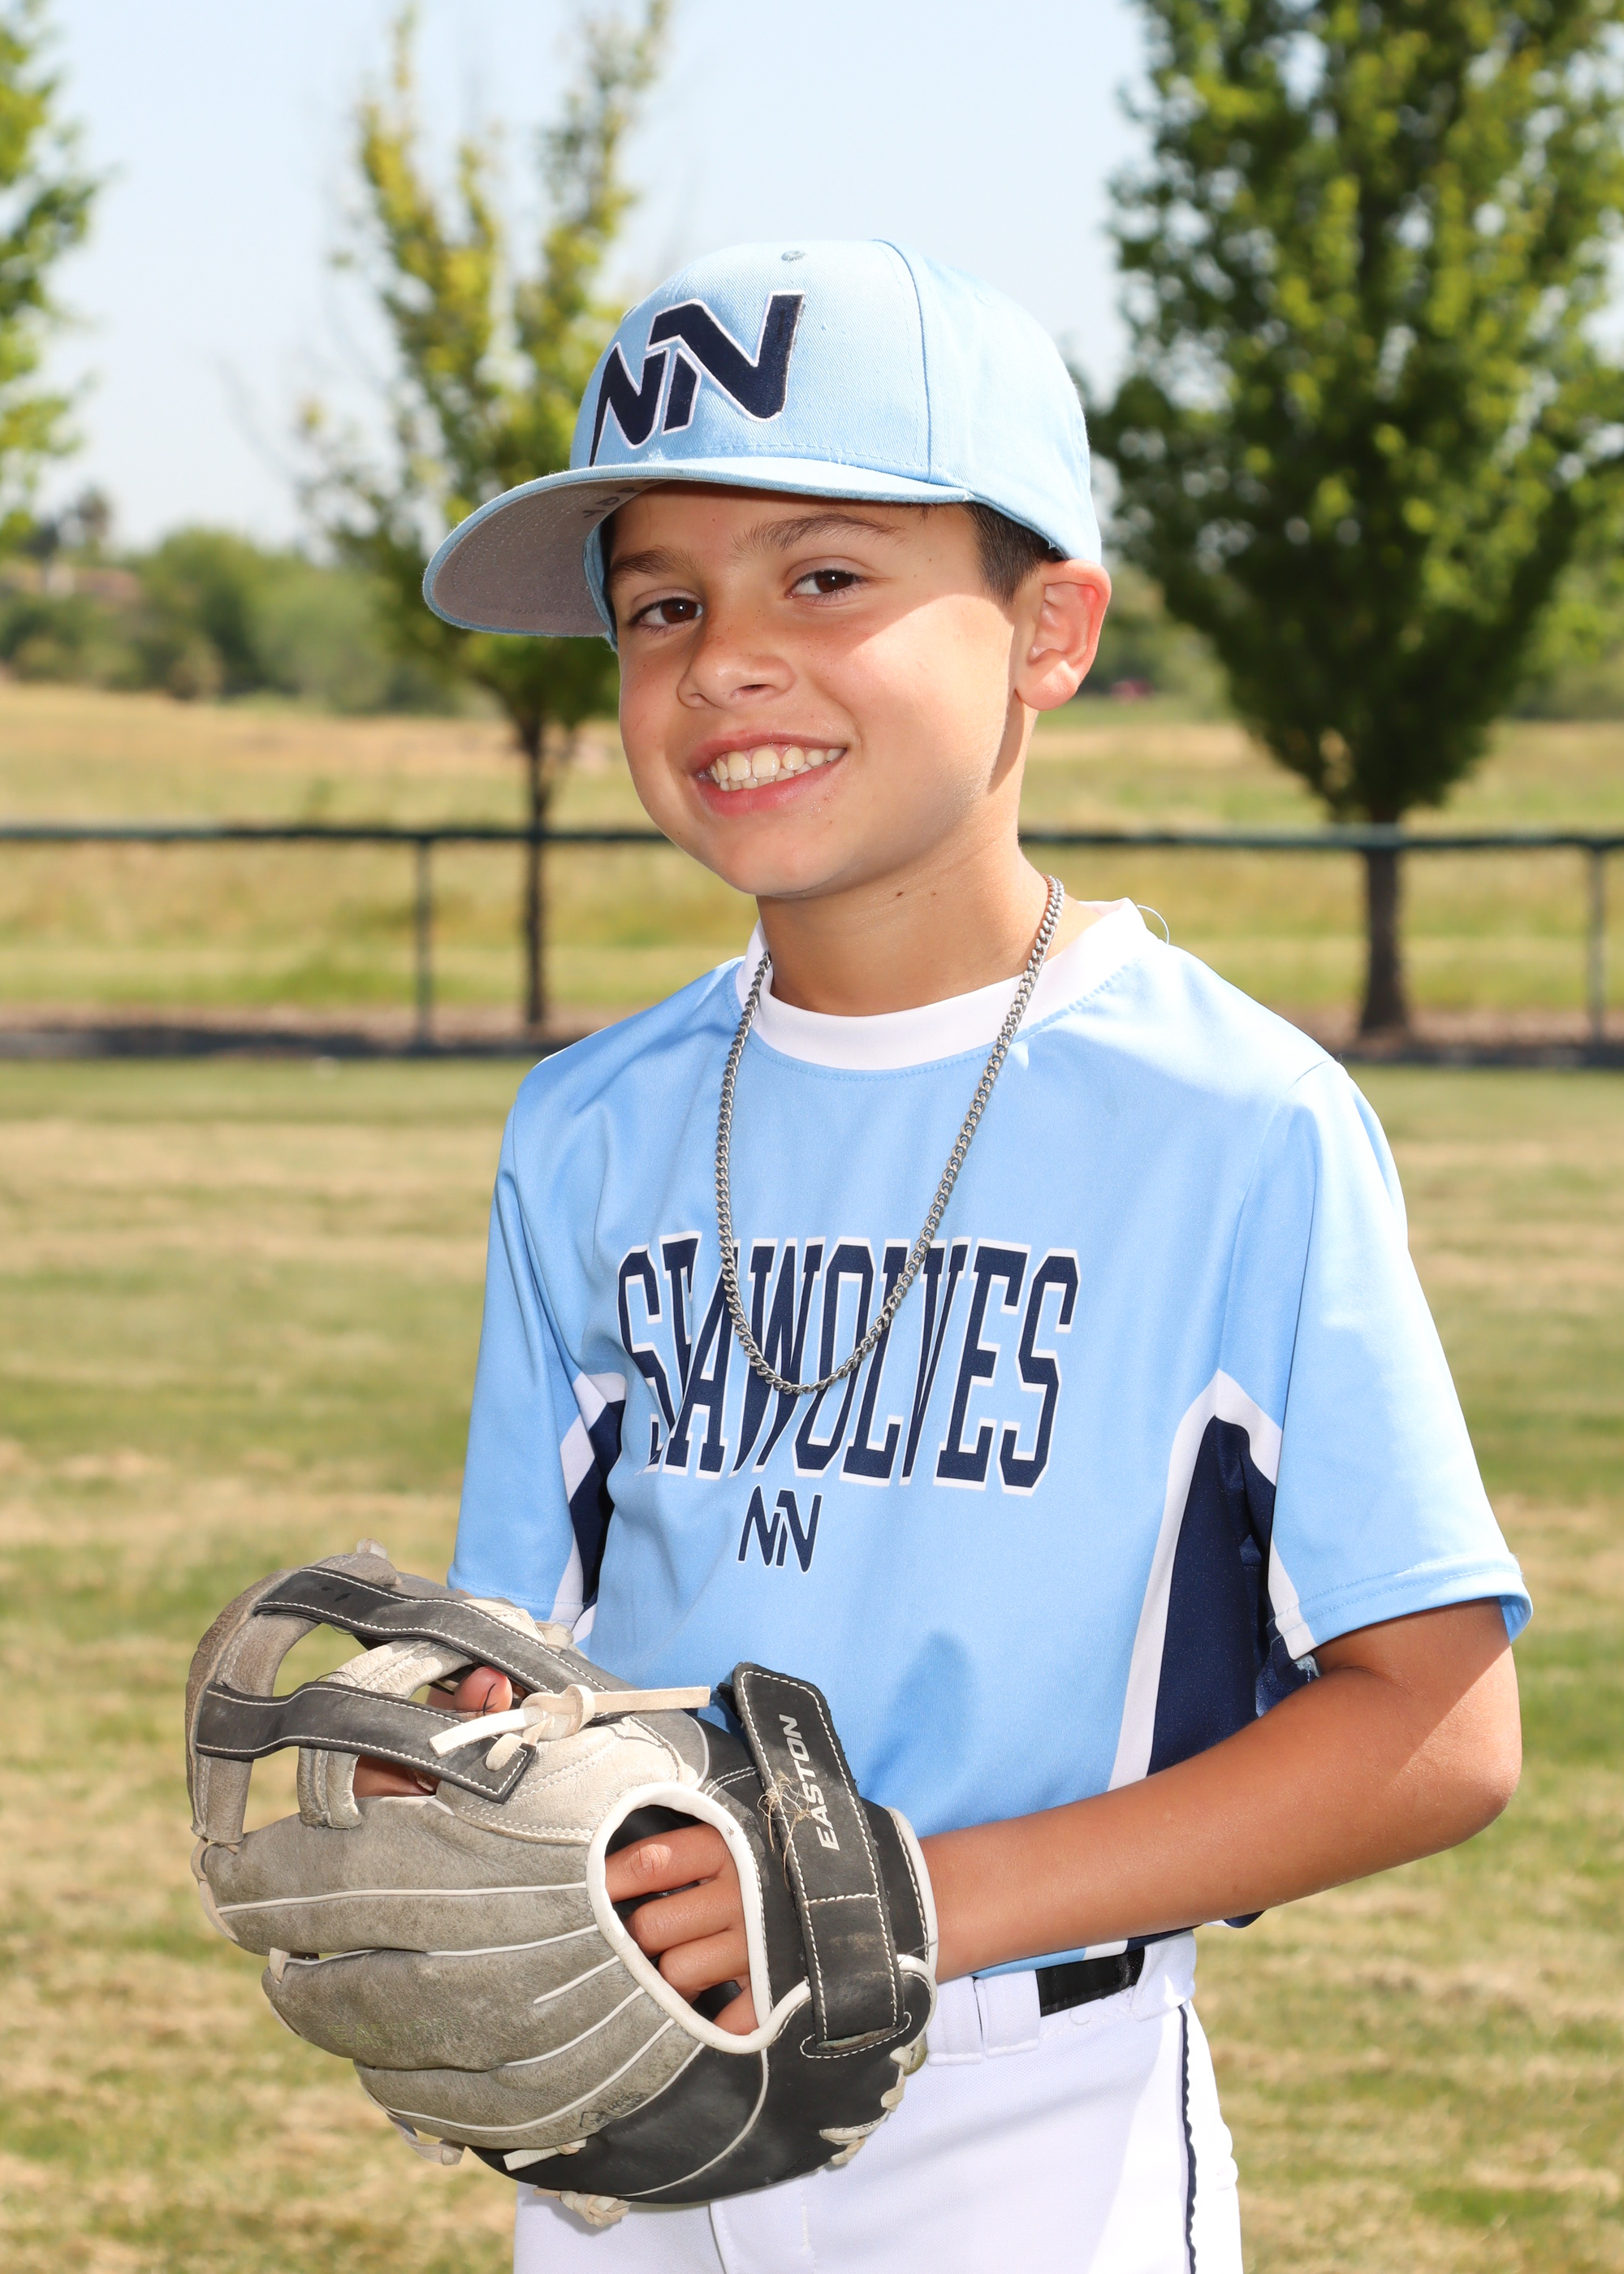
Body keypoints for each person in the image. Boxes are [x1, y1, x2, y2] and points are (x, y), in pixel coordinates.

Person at [372, 240, 1530, 2272]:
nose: (725, 662)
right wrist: (443, 1762)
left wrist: (898, 1892)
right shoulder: (586, 1124)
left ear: (1050, 628)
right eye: (661, 605)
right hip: (630, 2088)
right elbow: (529, 1645)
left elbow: (1438, 1726)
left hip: (1022, 2109)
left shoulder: (1234, 1118)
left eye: (824, 575)